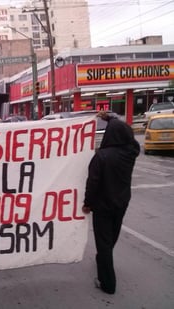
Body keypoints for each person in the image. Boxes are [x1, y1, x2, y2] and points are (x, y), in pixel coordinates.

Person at [82, 111, 140, 294]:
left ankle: (107, 283)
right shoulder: (131, 152)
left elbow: (92, 183)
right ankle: (103, 261)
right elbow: (132, 141)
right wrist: (111, 119)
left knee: (104, 243)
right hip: (121, 203)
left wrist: (87, 203)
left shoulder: (101, 157)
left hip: (103, 206)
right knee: (111, 238)